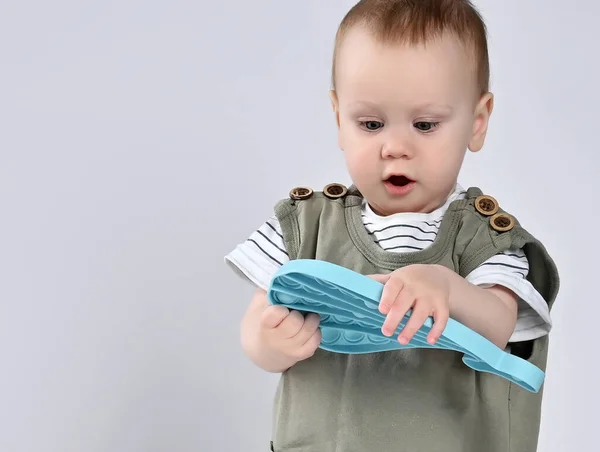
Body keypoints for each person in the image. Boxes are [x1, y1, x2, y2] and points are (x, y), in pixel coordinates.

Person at [224, 1, 560, 451]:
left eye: (425, 124)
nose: (395, 146)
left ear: (476, 123)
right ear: (339, 118)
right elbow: (259, 323)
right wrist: (269, 341)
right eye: (371, 123)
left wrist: (446, 287)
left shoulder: (484, 238)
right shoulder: (305, 228)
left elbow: (499, 324)